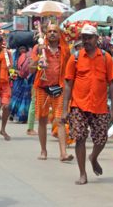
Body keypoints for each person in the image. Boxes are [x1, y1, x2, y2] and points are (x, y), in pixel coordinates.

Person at [63, 24, 113, 184]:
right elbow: (68, 84)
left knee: (101, 139)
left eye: (89, 37)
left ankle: (93, 157)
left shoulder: (106, 58)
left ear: (96, 39)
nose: (86, 40)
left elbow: (112, 83)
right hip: (78, 105)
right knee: (79, 137)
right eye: (84, 37)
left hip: (99, 105)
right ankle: (82, 173)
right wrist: (65, 109)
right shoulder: (76, 57)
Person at [30, 24, 73, 161]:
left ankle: (63, 153)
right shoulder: (39, 49)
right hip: (42, 88)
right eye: (50, 31)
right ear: (46, 34)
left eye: (55, 31)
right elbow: (30, 69)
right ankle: (43, 151)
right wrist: (38, 59)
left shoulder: (65, 50)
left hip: (59, 88)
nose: (53, 33)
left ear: (60, 34)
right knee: (42, 120)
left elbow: (70, 70)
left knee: (60, 120)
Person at [9, 45, 33, 123]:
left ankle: (22, 117)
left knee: (25, 99)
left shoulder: (28, 57)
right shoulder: (14, 57)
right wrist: (15, 72)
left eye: (23, 48)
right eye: (20, 48)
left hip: (26, 81)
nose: (22, 50)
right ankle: (13, 113)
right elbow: (10, 68)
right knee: (15, 98)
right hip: (17, 80)